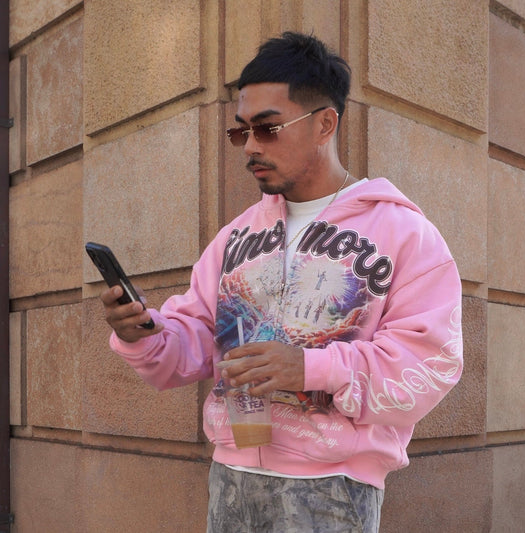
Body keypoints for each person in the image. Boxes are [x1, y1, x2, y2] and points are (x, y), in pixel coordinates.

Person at [100, 32, 463, 532]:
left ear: (325, 124)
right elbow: (196, 338)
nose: (251, 146)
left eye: (268, 129)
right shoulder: (236, 236)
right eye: (241, 132)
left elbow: (431, 362)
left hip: (335, 488)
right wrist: (143, 333)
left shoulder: (404, 233)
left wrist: (310, 368)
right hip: (230, 477)